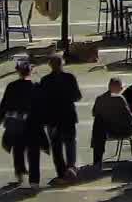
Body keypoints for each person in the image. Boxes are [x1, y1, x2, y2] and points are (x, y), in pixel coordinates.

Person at [0, 55, 47, 186]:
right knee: (33, 152)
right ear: (30, 71)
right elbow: (42, 106)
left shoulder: (11, 86)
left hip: (16, 124)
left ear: (18, 71)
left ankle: (20, 173)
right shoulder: (36, 87)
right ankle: (34, 181)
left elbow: (4, 105)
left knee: (18, 149)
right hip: (33, 125)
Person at [35, 54, 82, 184]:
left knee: (56, 147)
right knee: (70, 143)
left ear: (50, 65)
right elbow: (77, 96)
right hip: (68, 116)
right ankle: (71, 169)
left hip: (52, 118)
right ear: (62, 64)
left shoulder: (45, 80)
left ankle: (61, 174)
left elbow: (41, 100)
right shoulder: (70, 78)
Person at [89, 78, 132, 169]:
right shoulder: (120, 98)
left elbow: (94, 113)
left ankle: (97, 161)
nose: (122, 89)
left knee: (98, 121)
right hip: (122, 131)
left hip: (105, 133)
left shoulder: (100, 98)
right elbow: (128, 117)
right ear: (117, 87)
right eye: (121, 87)